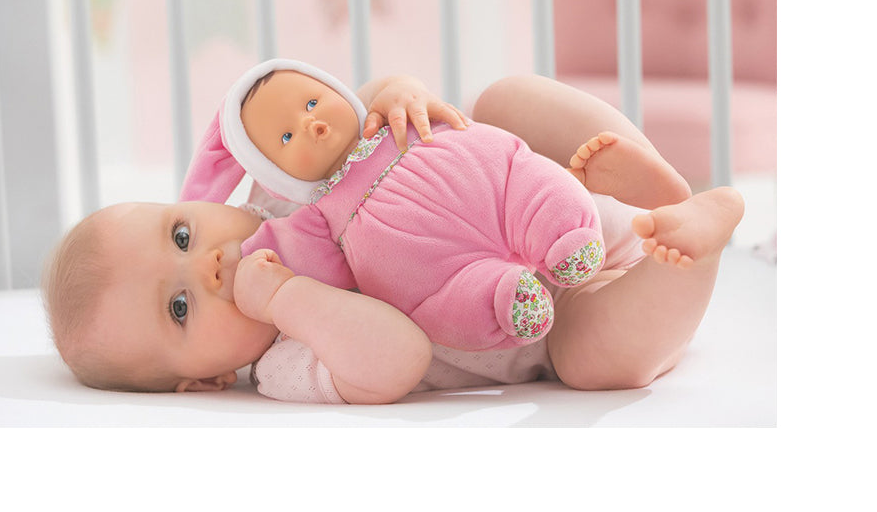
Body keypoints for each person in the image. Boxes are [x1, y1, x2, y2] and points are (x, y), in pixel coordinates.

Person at [44, 73, 743, 404]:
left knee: (500, 102)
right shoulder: (287, 362)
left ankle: (649, 182)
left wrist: (395, 95)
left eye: (182, 235)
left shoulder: (282, 190)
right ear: (205, 382)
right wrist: (286, 298)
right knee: (594, 363)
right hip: (555, 315)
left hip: (540, 196)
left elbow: (353, 123)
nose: (207, 266)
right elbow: (398, 356)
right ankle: (691, 233)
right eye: (179, 307)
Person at [180, 59, 607, 350]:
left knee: (525, 182)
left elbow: (403, 87)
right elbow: (277, 255)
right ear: (276, 176)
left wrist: (405, 90)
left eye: (312, 102)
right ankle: (505, 299)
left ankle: (566, 237)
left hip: (495, 184)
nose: (311, 123)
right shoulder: (317, 221)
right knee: (443, 301)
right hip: (445, 272)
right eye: (286, 137)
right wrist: (245, 264)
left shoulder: (388, 118)